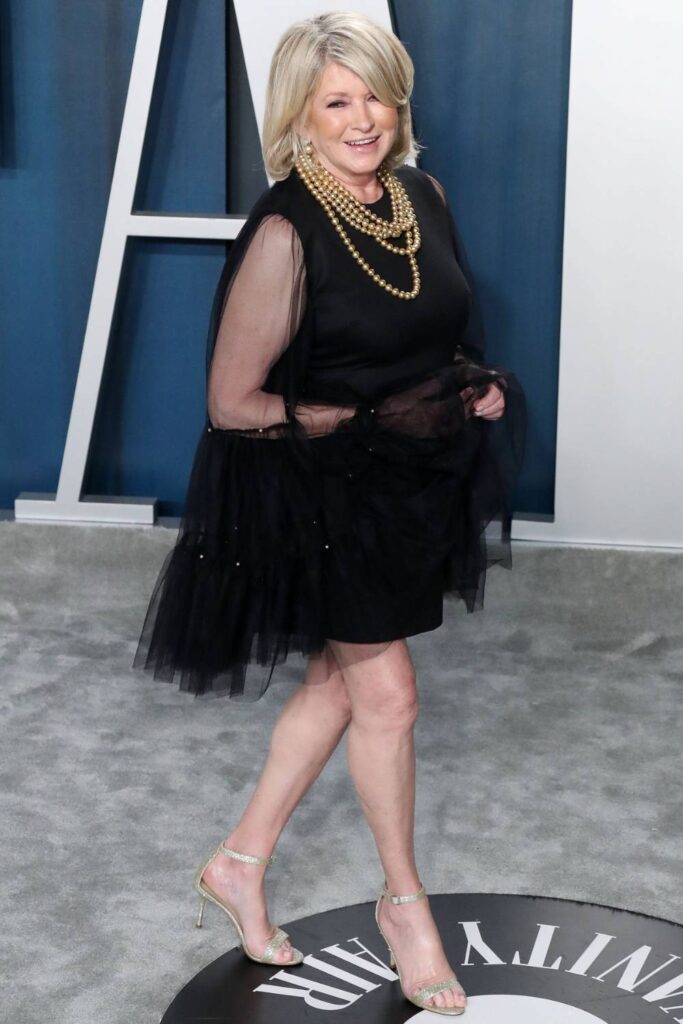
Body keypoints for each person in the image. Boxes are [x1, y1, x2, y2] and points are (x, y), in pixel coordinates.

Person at [135, 10, 526, 1016]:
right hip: (320, 492)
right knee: (387, 694)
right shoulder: (284, 230)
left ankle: (238, 861)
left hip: (408, 487)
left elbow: (433, 332)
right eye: (336, 101)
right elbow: (233, 402)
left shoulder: (420, 197)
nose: (362, 120)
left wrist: (471, 384)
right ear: (300, 118)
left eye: (376, 96)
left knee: (338, 685)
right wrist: (360, 418)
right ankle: (405, 906)